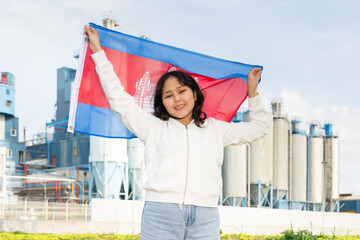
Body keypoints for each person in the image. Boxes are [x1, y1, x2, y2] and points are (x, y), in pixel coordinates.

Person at [84, 25, 269, 240]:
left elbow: (259, 127)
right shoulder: (152, 127)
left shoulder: (215, 129)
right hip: (161, 214)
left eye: (182, 91)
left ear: (195, 94)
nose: (177, 99)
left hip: (205, 215)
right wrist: (98, 51)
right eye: (168, 95)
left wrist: (253, 92)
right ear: (162, 102)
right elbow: (118, 97)